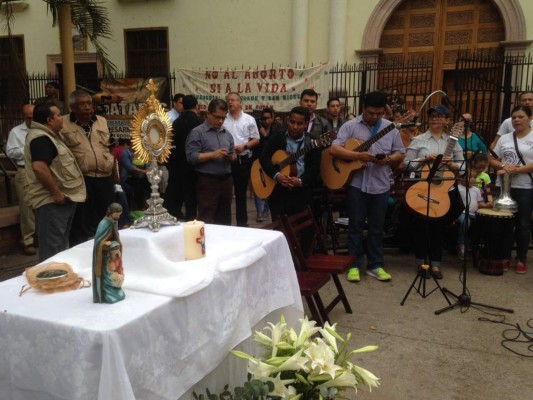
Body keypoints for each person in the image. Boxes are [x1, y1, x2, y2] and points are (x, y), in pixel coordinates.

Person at [330, 91, 405, 283]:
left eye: (379, 113)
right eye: (371, 113)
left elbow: (400, 153)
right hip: (356, 184)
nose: (374, 117)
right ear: (364, 108)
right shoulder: (350, 126)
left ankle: (375, 265)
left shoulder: (390, 128)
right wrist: (357, 156)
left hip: (380, 185)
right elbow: (335, 148)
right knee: (354, 225)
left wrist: (388, 159)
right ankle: (354, 264)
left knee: (377, 227)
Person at [404, 104, 465, 279]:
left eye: (440, 116)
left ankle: (436, 264)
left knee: (439, 227)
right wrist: (424, 159)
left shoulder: (453, 142)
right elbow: (406, 165)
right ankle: (421, 263)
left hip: (444, 191)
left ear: (448, 121)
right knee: (422, 227)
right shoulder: (419, 140)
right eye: (432, 116)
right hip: (424, 188)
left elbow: (463, 168)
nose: (435, 119)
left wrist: (453, 164)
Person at [24, 101, 86, 262]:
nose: (62, 118)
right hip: (51, 203)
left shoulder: (51, 136)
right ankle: (49, 282)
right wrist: (55, 193)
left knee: (61, 248)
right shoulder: (40, 138)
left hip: (62, 200)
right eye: (58, 115)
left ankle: (60, 281)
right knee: (51, 251)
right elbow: (39, 167)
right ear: (49, 120)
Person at [61, 90, 116, 246]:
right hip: (81, 179)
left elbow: (111, 147)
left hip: (104, 178)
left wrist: (115, 174)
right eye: (82, 104)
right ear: (72, 107)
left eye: (89, 103)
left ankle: (107, 247)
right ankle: (80, 249)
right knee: (81, 220)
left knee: (107, 216)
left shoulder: (102, 121)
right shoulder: (63, 124)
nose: (87, 107)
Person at [490, 105, 533, 274]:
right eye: (514, 117)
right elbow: (492, 158)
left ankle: (521, 258)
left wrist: (517, 169)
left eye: (520, 117)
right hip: (505, 186)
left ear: (529, 118)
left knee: (523, 224)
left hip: (524, 186)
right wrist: (503, 165)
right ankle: (504, 256)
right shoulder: (505, 138)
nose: (516, 120)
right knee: (505, 223)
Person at [259, 106, 321, 220]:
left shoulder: (312, 142)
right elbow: (264, 157)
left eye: (299, 123)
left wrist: (301, 181)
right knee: (281, 230)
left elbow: (315, 168)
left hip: (301, 192)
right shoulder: (278, 137)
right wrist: (276, 175)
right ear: (288, 120)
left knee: (304, 230)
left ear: (306, 124)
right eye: (292, 122)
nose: (295, 126)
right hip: (278, 191)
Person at [186, 98, 236, 225]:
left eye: (223, 118)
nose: (220, 121)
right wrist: (212, 155)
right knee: (206, 218)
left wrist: (232, 157)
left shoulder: (227, 134)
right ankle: (204, 243)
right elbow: (191, 157)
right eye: (217, 117)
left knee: (225, 219)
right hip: (208, 181)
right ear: (208, 114)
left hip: (226, 181)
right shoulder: (197, 132)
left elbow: (231, 151)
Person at [223, 92, 260, 226]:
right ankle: (224, 224)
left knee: (240, 194)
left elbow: (256, 139)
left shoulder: (249, 119)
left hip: (241, 160)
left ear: (240, 103)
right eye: (228, 100)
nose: (230, 102)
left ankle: (242, 224)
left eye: (233, 100)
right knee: (225, 194)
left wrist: (244, 146)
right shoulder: (223, 119)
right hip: (225, 160)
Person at [6, 104, 37, 255]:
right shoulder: (16, 132)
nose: (31, 120)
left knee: (43, 204)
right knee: (27, 207)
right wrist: (28, 149)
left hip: (43, 169)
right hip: (25, 170)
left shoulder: (42, 129)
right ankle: (28, 240)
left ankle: (39, 237)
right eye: (28, 118)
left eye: (33, 116)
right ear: (24, 117)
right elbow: (10, 152)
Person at [166, 94, 203, 220]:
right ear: (197, 106)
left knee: (177, 189)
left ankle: (175, 213)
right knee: (191, 193)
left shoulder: (176, 122)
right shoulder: (199, 122)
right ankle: (191, 217)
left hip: (177, 162)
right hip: (194, 163)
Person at [252, 107, 283, 222]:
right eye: (263, 118)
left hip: (272, 164)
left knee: (269, 186)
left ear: (272, 118)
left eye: (267, 118)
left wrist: (265, 136)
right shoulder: (256, 130)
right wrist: (261, 136)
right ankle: (259, 212)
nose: (265, 121)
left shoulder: (277, 130)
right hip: (258, 162)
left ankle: (266, 210)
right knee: (258, 186)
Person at [92, 203, 125, 304]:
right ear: (111, 212)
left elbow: (115, 235)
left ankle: (115, 290)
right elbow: (98, 240)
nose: (118, 217)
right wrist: (104, 243)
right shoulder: (103, 223)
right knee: (107, 274)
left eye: (120, 214)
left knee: (115, 271)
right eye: (117, 214)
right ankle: (106, 294)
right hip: (104, 254)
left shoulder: (114, 222)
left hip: (112, 253)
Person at [456, 169, 491, 260]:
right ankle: (462, 244)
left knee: (482, 225)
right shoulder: (458, 189)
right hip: (462, 213)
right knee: (465, 222)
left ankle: (477, 246)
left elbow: (479, 203)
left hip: (473, 214)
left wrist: (486, 205)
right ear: (461, 178)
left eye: (474, 177)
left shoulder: (476, 190)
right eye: (469, 177)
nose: (472, 179)